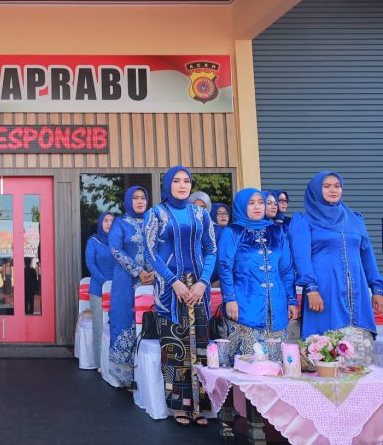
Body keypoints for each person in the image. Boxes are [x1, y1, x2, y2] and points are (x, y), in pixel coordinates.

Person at [144, 165, 216, 427]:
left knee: (200, 350)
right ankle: (179, 406)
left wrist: (203, 283)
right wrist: (173, 282)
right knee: (176, 349)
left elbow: (210, 249)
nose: (183, 185)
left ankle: (200, 405)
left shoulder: (200, 214)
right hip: (169, 291)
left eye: (187, 181)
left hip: (198, 291)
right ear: (167, 185)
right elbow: (150, 253)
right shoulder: (156, 214)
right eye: (177, 181)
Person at [289, 172, 383, 362]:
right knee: (326, 354)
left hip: (358, 293)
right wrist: (311, 289)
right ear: (316, 190)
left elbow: (367, 255)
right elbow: (302, 258)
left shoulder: (355, 219)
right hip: (324, 291)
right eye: (326, 186)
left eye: (337, 185)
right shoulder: (304, 221)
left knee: (359, 363)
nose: (333, 190)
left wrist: (377, 289)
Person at [218, 188, 298, 359]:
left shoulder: (276, 231)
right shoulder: (233, 231)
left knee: (276, 365)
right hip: (244, 307)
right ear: (241, 206)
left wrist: (291, 300)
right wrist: (230, 299)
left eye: (261, 202)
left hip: (276, 308)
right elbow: (224, 267)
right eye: (251, 203)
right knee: (248, 366)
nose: (257, 207)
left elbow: (286, 268)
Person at [107, 186, 151, 387]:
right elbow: (115, 249)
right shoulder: (121, 223)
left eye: (143, 197)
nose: (140, 201)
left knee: (149, 323)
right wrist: (137, 271)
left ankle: (148, 373)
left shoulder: (153, 222)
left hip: (152, 281)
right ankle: (126, 377)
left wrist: (155, 272)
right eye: (135, 198)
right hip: (126, 282)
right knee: (127, 321)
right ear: (128, 200)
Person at [85, 212, 115, 371]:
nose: (109, 223)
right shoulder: (93, 241)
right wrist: (105, 282)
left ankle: (113, 362)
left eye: (112, 221)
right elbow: (90, 263)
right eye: (106, 220)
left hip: (117, 291)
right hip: (98, 290)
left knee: (115, 326)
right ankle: (99, 363)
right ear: (100, 223)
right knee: (99, 326)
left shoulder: (118, 241)